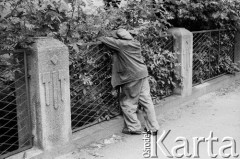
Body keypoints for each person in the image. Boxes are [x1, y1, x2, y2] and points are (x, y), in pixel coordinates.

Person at [97, 28, 159, 135]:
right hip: (142, 73)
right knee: (146, 100)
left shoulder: (121, 44)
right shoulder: (135, 42)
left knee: (128, 102)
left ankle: (133, 127)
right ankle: (153, 127)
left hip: (132, 76)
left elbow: (102, 38)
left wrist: (111, 35)